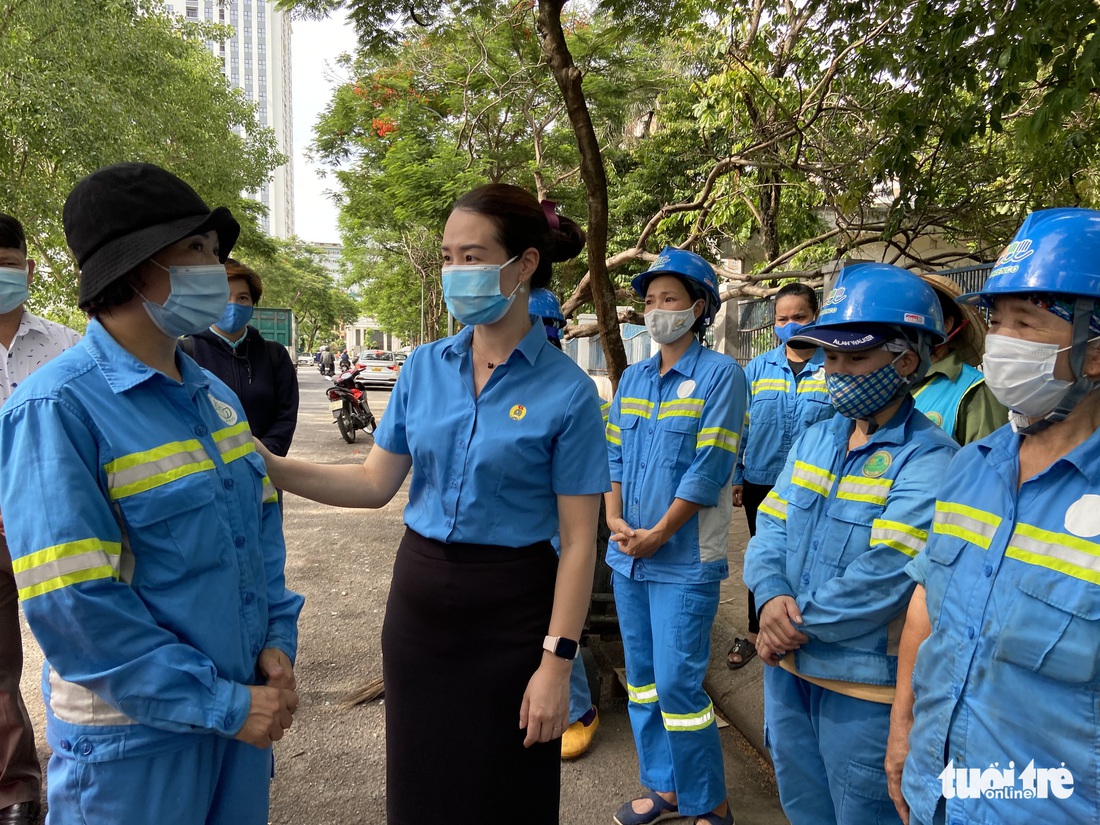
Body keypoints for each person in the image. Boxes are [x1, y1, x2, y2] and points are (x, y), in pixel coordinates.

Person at [257, 183, 609, 825]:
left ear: (524, 264)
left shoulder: (569, 392)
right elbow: (371, 484)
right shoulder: (422, 367)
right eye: (448, 257)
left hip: (514, 612)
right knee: (422, 787)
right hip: (419, 604)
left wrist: (558, 663)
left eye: (471, 257)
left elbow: (580, 539)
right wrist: (272, 468)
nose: (454, 273)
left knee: (509, 788)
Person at [0, 162, 303, 824]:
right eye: (197, 249)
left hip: (237, 724)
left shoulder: (214, 396)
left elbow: (260, 531)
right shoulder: (57, 408)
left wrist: (277, 638)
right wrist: (222, 702)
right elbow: (75, 605)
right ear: (137, 270)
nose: (216, 267)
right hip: (133, 749)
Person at [889, 208, 1100, 825]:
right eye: (997, 320)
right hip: (938, 794)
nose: (1001, 341)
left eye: (1026, 323)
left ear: (1093, 354)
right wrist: (902, 729)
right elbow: (927, 605)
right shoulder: (971, 467)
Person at [743, 263, 959, 825]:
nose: (836, 371)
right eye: (830, 357)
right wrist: (768, 597)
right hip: (788, 670)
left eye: (855, 358)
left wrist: (789, 622)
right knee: (804, 809)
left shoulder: (931, 458)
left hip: (861, 691)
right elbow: (773, 524)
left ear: (905, 361)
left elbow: (888, 573)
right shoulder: (817, 437)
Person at [606, 247, 745, 825]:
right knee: (642, 683)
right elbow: (612, 452)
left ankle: (707, 799)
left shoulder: (721, 376)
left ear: (697, 307)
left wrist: (661, 532)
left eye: (669, 299)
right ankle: (663, 788)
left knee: (679, 686)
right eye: (649, 300)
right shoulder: (634, 376)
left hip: (683, 559)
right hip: (628, 559)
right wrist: (613, 517)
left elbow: (710, 467)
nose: (656, 309)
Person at [0, 214, 82, 825]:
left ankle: (88, 763)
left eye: (8, 264)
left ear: (28, 269)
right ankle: (17, 790)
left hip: (59, 528)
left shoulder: (66, 346)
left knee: (77, 647)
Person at [727, 282, 833, 669]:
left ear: (815, 317)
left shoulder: (832, 367)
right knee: (763, 556)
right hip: (761, 480)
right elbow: (741, 427)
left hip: (812, 486)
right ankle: (756, 632)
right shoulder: (757, 369)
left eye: (799, 317)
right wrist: (738, 475)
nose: (790, 325)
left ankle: (802, 627)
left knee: (808, 556)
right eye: (782, 319)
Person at [529, 286, 601, 760]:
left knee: (558, 617)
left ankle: (578, 708)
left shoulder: (571, 388)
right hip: (513, 529)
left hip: (559, 525)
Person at [182, 259, 300, 457]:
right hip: (205, 472)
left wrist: (263, 456)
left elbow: (285, 415)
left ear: (252, 304)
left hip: (264, 470)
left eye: (242, 298)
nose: (233, 305)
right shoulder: (185, 353)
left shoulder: (275, 355)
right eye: (224, 297)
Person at [911, 272, 1007, 444]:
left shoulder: (975, 391)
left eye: (915, 317)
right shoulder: (888, 379)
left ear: (946, 325)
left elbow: (985, 465)